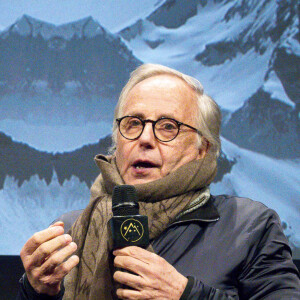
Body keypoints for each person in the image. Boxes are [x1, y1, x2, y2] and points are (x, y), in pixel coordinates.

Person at [18, 64, 300, 299]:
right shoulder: (68, 233)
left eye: (168, 127)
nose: (145, 139)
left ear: (202, 148)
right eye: (133, 123)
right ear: (117, 142)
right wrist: (34, 291)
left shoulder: (248, 226)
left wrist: (186, 294)